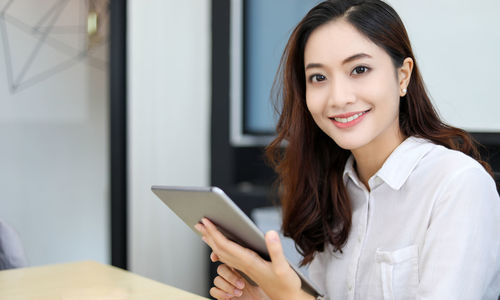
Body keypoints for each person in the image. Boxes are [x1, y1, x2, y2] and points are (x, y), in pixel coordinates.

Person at [195, 0, 500, 299]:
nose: (338, 97)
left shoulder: (457, 185)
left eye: (359, 69)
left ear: (402, 76)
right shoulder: (329, 189)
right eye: (318, 77)